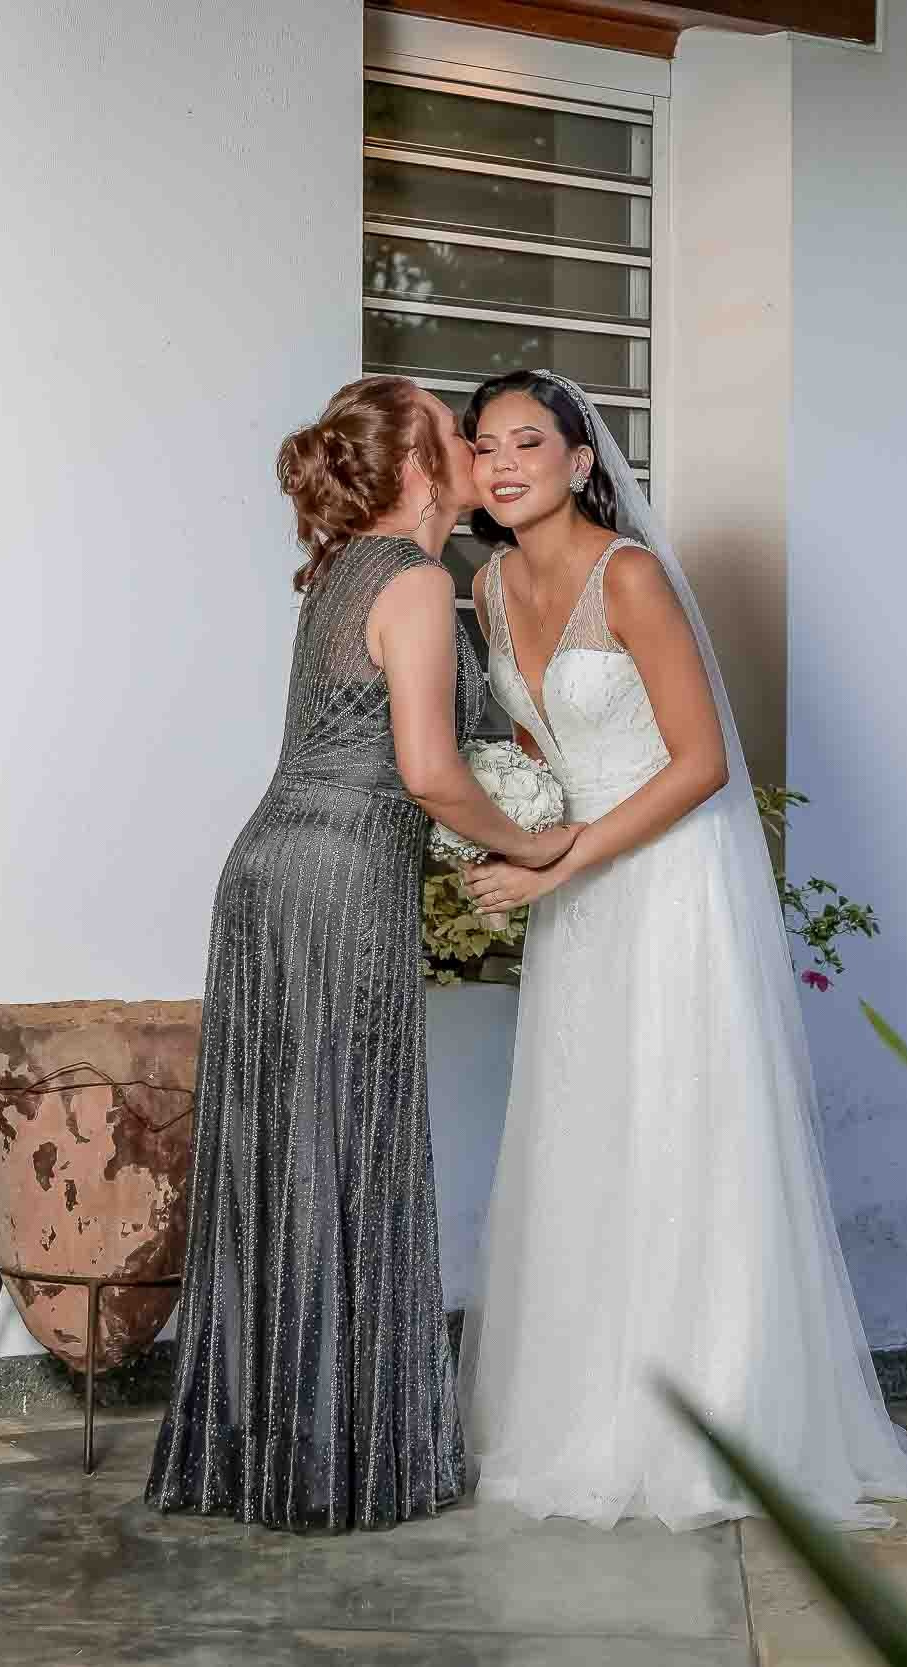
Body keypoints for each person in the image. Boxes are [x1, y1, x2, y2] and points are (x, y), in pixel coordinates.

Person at [458, 370, 907, 1566]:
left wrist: (560, 857)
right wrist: (518, 827)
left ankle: (710, 1416)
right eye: (483, 445)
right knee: (587, 1128)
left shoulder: (628, 575)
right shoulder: (485, 586)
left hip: (666, 881)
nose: (502, 462)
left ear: (582, 461)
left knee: (681, 1123)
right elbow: (539, 740)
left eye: (527, 440)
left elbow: (698, 764)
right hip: (577, 894)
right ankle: (584, 1408)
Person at [147, 375, 579, 1531]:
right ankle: (342, 1460)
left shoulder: (345, 570)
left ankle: (261, 1453)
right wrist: (536, 841)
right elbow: (429, 772)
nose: (477, 450)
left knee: (285, 1148)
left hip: (270, 872)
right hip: (337, 880)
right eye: (455, 434)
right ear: (419, 469)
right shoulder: (418, 580)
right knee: (349, 1140)